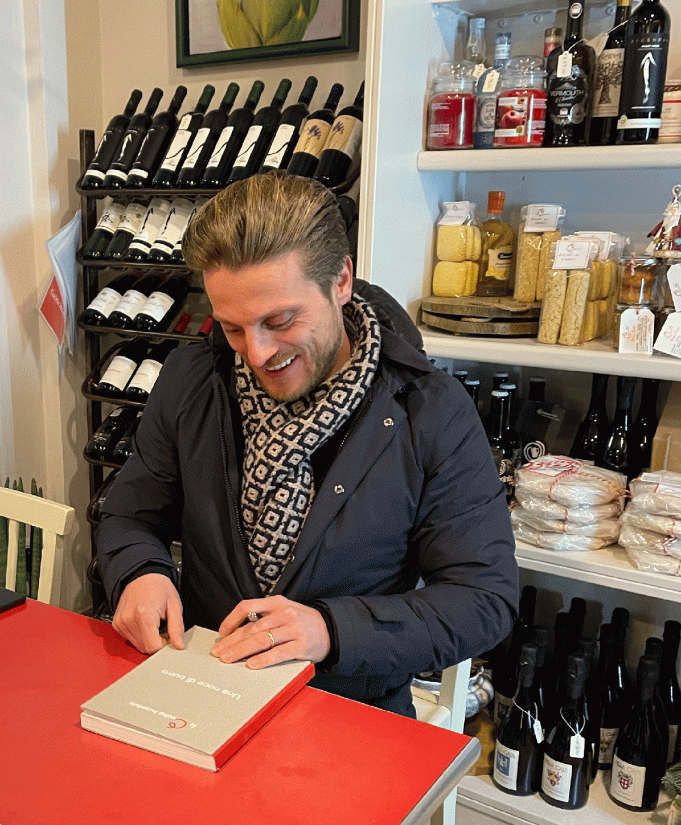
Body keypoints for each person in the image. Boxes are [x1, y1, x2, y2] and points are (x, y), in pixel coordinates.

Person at [97, 172, 518, 717]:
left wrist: (329, 630)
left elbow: (483, 599)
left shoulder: (430, 412)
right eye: (232, 328)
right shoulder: (192, 380)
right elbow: (130, 514)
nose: (256, 353)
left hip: (350, 714)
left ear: (340, 280)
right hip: (204, 691)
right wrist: (139, 572)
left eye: (280, 320)